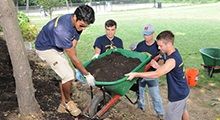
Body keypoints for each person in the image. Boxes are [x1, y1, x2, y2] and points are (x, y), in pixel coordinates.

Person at [35, 5, 95, 117]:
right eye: (81, 25)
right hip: (45, 48)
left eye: (85, 27)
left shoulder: (77, 25)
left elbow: (73, 48)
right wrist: (87, 74)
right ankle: (68, 102)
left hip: (57, 46)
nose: (82, 28)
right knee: (68, 75)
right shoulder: (62, 30)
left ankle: (62, 106)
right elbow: (71, 55)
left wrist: (77, 67)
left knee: (64, 73)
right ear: (75, 17)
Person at [126, 30, 190, 120]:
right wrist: (157, 66)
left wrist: (136, 74)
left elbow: (156, 75)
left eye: (161, 46)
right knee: (183, 111)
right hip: (184, 90)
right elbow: (167, 68)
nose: (159, 48)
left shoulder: (172, 60)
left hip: (177, 96)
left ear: (168, 44)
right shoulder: (174, 52)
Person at [131, 24, 164, 119]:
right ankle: (140, 110)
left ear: (153, 34)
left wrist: (158, 64)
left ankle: (160, 113)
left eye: (148, 34)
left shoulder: (158, 46)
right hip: (141, 75)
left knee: (155, 96)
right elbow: (135, 58)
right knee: (140, 94)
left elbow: (162, 62)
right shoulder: (140, 45)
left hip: (152, 75)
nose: (146, 36)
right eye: (144, 34)